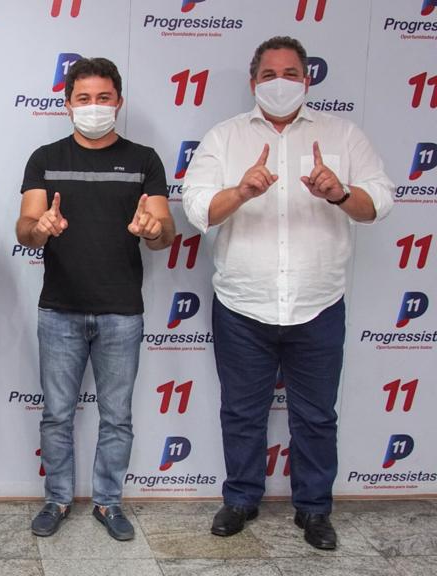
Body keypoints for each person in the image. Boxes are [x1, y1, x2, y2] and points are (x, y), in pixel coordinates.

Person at [182, 36, 394, 550]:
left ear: (307, 79)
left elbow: (379, 203)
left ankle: (315, 509)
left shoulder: (343, 135)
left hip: (317, 304)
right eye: (270, 74)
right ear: (253, 82)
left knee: (316, 416)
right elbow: (197, 208)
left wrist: (339, 193)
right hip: (242, 305)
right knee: (241, 413)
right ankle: (240, 499)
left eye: (292, 73)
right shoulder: (225, 137)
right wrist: (242, 191)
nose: (281, 82)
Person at [16, 57, 175, 541]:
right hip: (59, 310)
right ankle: (57, 499)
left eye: (103, 98)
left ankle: (109, 502)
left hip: (121, 312)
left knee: (117, 417)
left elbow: (164, 234)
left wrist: (153, 229)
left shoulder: (144, 159)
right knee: (56, 415)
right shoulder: (44, 157)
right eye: (83, 98)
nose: (93, 106)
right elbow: (25, 229)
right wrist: (40, 227)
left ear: (118, 102)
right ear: (67, 105)